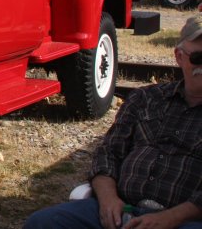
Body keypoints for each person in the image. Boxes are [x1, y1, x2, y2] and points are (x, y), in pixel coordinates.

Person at [24, 15, 202, 229]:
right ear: (179, 57)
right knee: (43, 223)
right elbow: (108, 153)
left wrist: (169, 219)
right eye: (198, 58)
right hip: (121, 210)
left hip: (184, 220)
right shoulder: (146, 99)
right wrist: (108, 201)